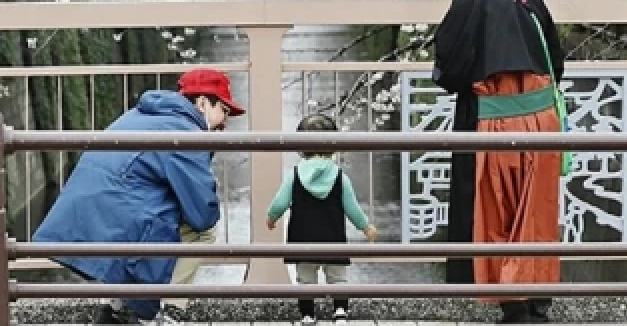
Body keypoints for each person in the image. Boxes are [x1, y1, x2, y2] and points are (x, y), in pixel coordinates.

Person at [432, 0, 567, 325]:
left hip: (492, 124)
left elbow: (450, 68)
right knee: (536, 213)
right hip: (543, 122)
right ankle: (537, 298)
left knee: (495, 214)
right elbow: (556, 63)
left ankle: (511, 304)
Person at [33, 68, 245, 326]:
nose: (225, 122)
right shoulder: (186, 132)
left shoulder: (141, 114)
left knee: (164, 213)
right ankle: (169, 310)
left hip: (82, 218)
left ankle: (114, 308)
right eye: (224, 110)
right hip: (116, 222)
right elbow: (203, 214)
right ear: (202, 102)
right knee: (205, 231)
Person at [265, 114, 378, 325]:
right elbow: (351, 207)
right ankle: (341, 312)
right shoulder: (339, 176)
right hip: (333, 238)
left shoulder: (295, 175)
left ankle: (308, 314)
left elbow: (280, 202)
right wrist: (365, 227)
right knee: (337, 278)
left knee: (305, 280)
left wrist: (272, 217)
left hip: (303, 239)